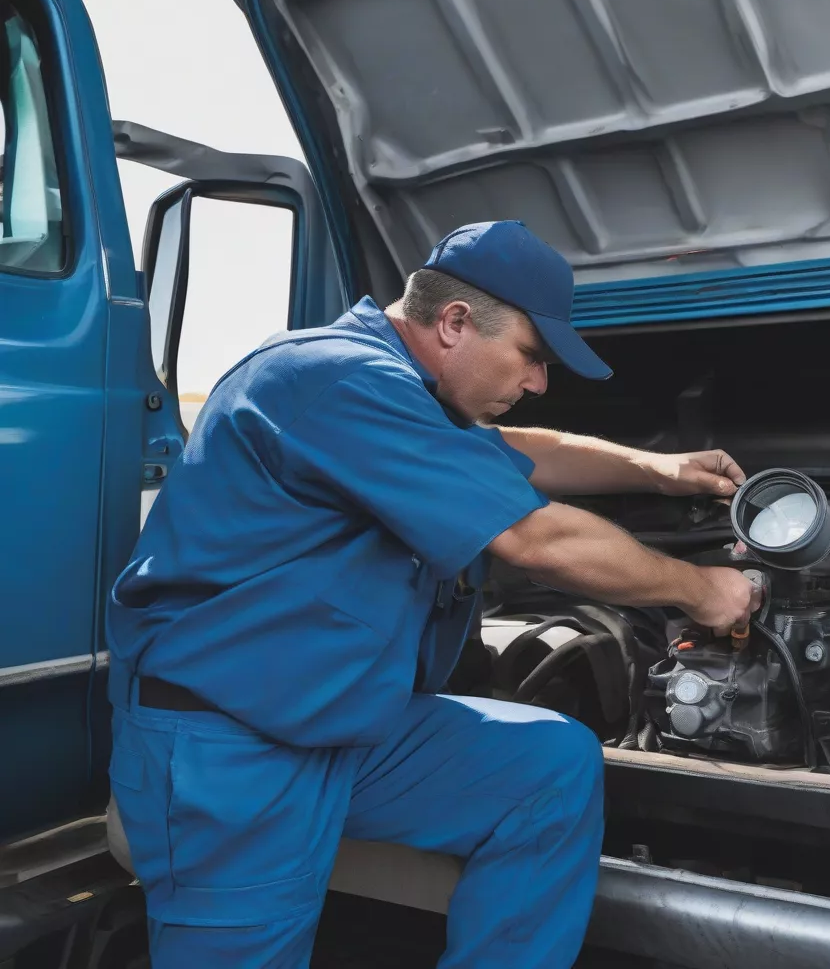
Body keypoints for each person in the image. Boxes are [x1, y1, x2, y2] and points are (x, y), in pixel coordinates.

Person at [106, 220, 760, 968]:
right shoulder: (338, 378)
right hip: (230, 752)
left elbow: (529, 450)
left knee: (547, 766)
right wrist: (700, 589)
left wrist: (658, 471)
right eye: (531, 357)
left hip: (340, 727)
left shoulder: (409, 394)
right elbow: (536, 541)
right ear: (453, 323)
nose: (539, 383)